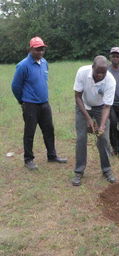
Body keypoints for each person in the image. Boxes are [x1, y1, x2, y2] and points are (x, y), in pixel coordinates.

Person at [11, 36, 67, 170]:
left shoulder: (44, 62)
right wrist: (22, 101)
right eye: (37, 49)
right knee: (29, 132)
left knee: (49, 130)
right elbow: (15, 86)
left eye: (42, 49)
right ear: (31, 49)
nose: (40, 52)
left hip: (44, 103)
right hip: (30, 105)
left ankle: (52, 156)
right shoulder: (23, 65)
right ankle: (28, 159)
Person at [72, 55, 116, 186]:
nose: (100, 75)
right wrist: (87, 119)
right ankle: (79, 172)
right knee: (81, 138)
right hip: (83, 106)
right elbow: (77, 97)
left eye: (103, 72)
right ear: (92, 68)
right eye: (98, 72)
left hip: (101, 107)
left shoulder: (110, 81)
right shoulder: (82, 72)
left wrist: (101, 125)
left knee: (103, 138)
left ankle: (107, 170)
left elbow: (107, 106)